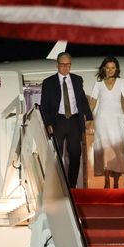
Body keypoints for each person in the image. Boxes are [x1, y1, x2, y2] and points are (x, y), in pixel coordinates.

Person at [40, 52, 93, 188]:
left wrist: (89, 117)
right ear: (57, 65)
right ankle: (56, 186)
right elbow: (44, 106)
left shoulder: (77, 79)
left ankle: (71, 186)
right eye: (63, 64)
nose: (65, 67)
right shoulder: (48, 82)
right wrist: (48, 124)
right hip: (58, 121)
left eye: (68, 65)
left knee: (75, 155)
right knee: (55, 155)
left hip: (74, 121)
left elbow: (82, 100)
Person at [89, 56, 124, 188]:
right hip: (102, 119)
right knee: (106, 149)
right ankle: (106, 180)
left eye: (113, 68)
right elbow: (93, 101)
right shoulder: (98, 84)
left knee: (118, 149)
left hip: (117, 118)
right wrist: (88, 117)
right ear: (104, 69)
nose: (110, 70)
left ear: (116, 69)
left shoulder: (121, 82)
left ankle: (116, 182)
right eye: (108, 68)